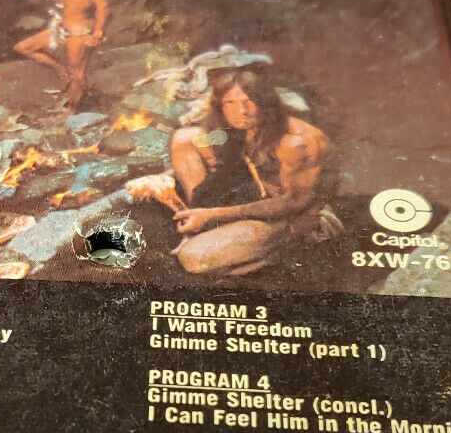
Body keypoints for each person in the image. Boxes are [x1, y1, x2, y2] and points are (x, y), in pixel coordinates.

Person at [128, 67, 331, 276]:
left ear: (265, 102)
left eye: (249, 101)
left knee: (192, 258)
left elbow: (294, 202)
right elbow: (214, 156)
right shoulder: (242, 129)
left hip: (296, 220)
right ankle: (197, 222)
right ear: (221, 106)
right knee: (185, 138)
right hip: (257, 199)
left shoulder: (295, 143)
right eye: (230, 102)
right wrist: (161, 178)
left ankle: (279, 250)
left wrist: (212, 215)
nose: (241, 110)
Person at [13, 0, 107, 110]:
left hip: (81, 28)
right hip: (63, 27)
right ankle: (60, 70)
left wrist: (97, 33)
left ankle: (72, 110)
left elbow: (102, 4)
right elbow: (64, 1)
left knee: (77, 72)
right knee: (23, 47)